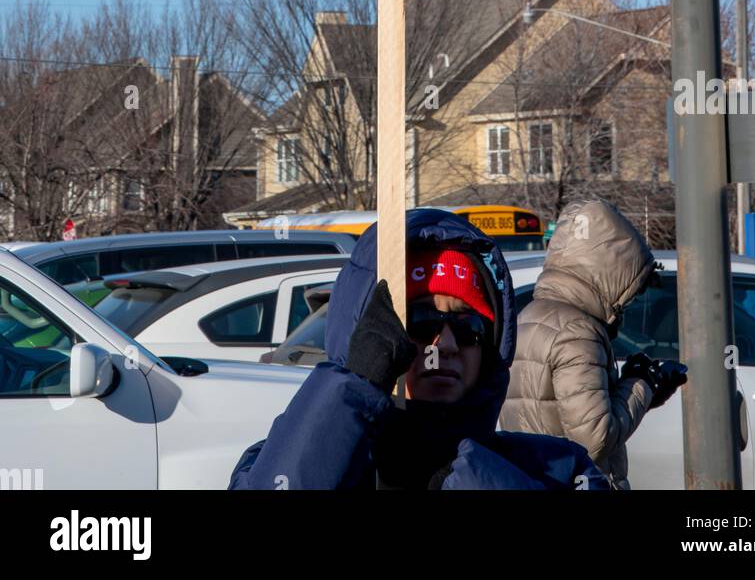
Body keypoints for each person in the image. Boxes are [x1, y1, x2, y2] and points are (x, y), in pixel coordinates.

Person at [229, 207, 611, 490]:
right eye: (421, 323)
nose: (444, 345)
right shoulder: (271, 462)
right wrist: (355, 385)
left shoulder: (557, 469)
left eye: (468, 328)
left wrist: (474, 480)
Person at [500, 197, 687, 490]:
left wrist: (647, 392)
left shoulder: (530, 317)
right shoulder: (577, 332)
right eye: (631, 289)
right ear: (610, 273)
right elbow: (594, 438)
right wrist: (641, 383)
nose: (628, 302)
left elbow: (560, 416)